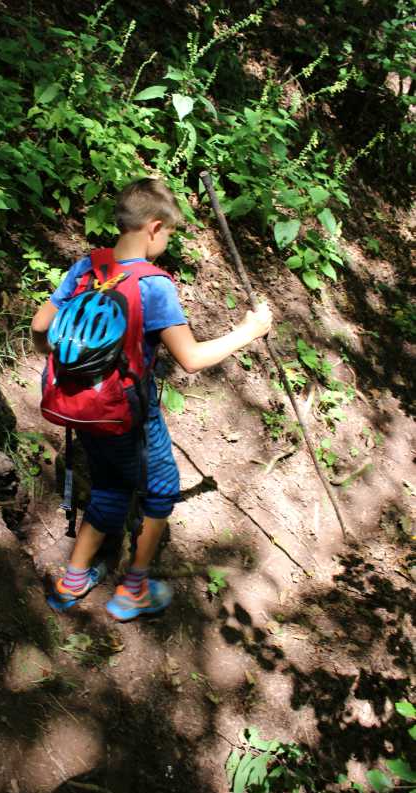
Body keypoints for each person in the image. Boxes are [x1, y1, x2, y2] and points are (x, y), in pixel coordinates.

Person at [31, 177, 272, 621]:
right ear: (154, 227)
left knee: (109, 486)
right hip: (128, 413)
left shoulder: (87, 267)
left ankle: (72, 583)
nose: (168, 243)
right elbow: (191, 359)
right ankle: (133, 591)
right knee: (159, 489)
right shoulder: (152, 285)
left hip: (79, 404)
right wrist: (248, 332)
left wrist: (70, 367)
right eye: (170, 234)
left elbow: (40, 326)